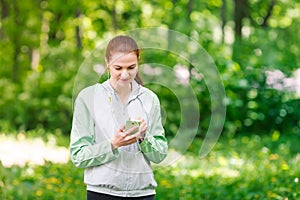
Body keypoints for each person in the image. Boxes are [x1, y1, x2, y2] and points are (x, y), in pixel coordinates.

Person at [70, 35, 168, 200]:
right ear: (107, 64)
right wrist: (113, 144)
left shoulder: (149, 99)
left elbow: (160, 154)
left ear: (138, 63)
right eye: (118, 68)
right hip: (102, 194)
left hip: (143, 194)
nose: (125, 74)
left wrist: (144, 137)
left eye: (131, 67)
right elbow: (78, 156)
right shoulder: (88, 98)